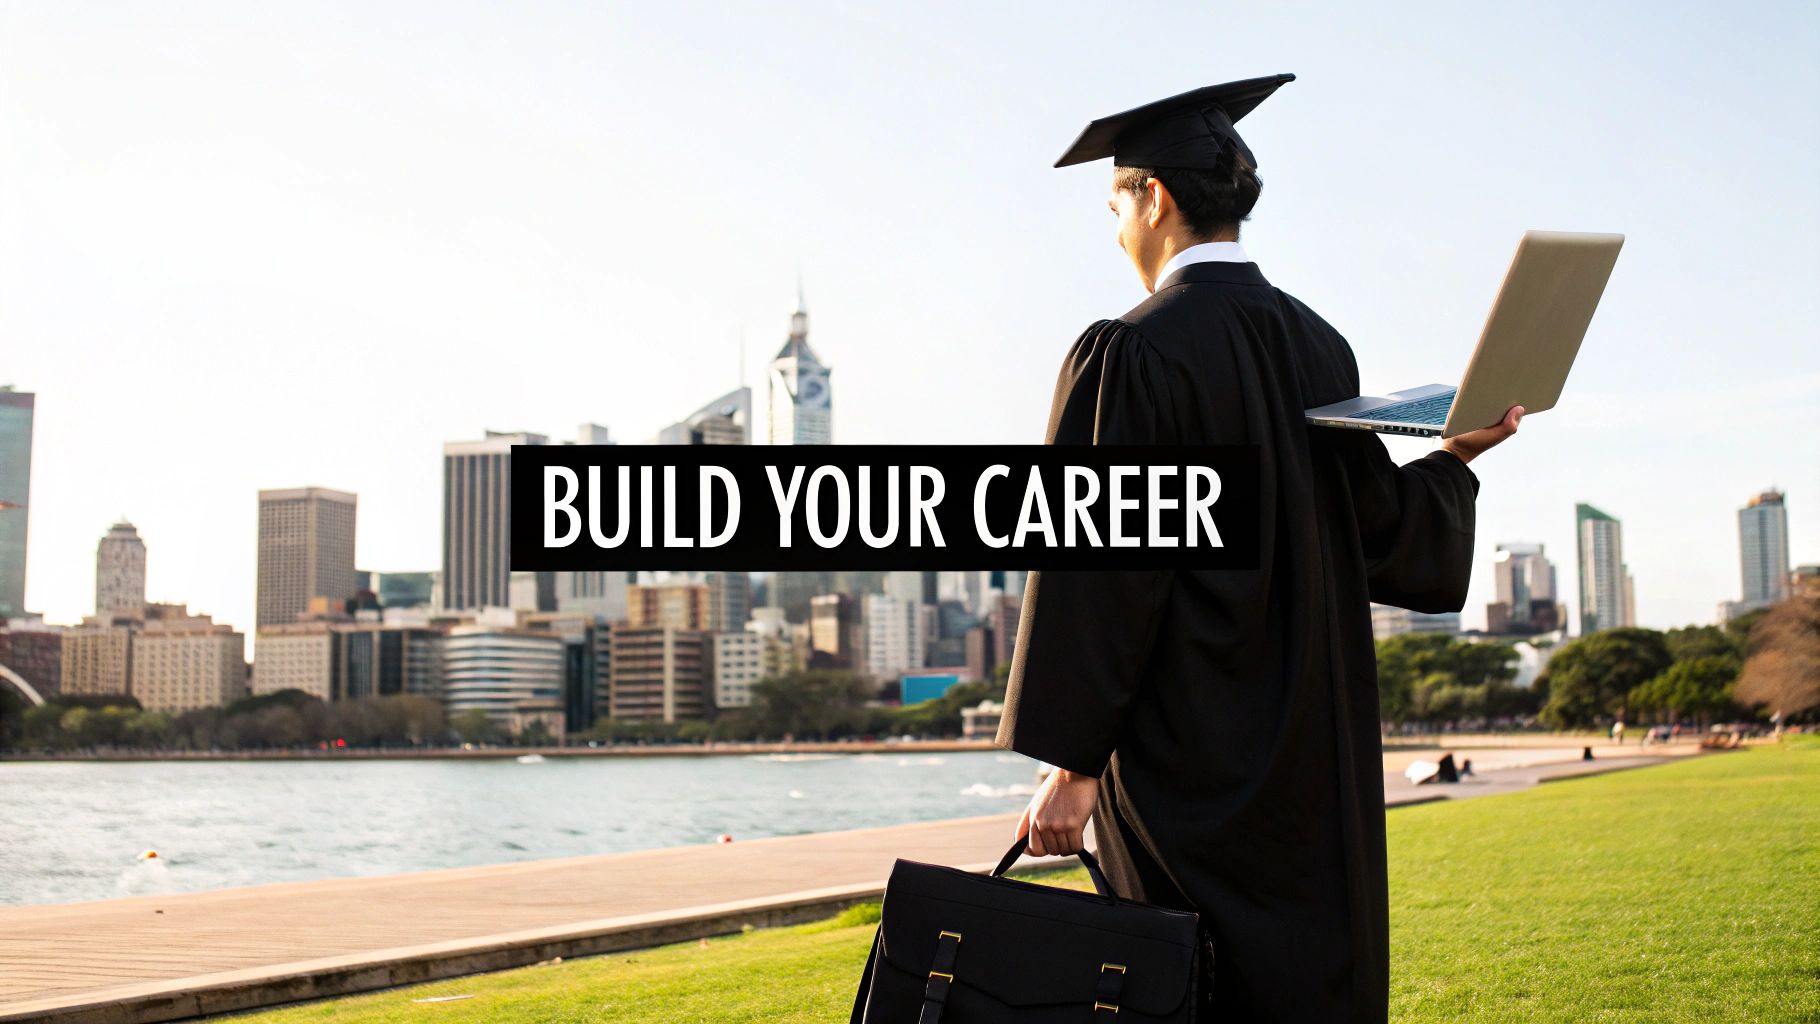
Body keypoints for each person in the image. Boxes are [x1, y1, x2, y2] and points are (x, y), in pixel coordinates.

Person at [995, 75, 1522, 1022]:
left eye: (1115, 201)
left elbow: (1102, 570)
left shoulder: (1128, 350)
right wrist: (1451, 460)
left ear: (1152, 195)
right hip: (1311, 761)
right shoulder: (1322, 346)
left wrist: (1072, 768)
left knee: (1180, 986)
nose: (1116, 225)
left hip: (1183, 765)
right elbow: (1384, 538)